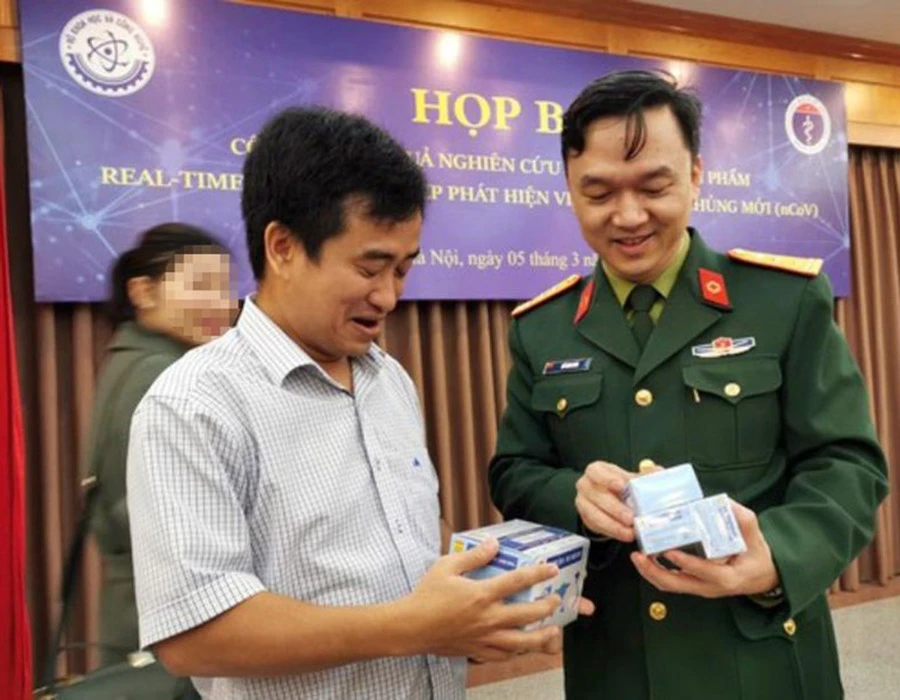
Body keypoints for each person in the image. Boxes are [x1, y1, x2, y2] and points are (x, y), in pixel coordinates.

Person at [126, 107, 579, 700]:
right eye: (370, 267)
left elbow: (414, 536)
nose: (388, 296)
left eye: (404, 269)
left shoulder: (389, 380)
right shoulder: (193, 405)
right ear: (283, 247)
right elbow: (194, 635)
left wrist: (483, 605)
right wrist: (415, 626)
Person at [488, 70, 888, 700]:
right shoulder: (543, 329)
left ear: (696, 174)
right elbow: (516, 471)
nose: (628, 216)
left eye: (654, 187)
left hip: (762, 657)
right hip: (616, 668)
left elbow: (847, 462)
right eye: (599, 192)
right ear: (569, 188)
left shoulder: (781, 301)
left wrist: (779, 556)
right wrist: (574, 497)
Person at [85, 222, 234, 674]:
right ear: (143, 292)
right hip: (167, 628)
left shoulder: (135, 360)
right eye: (201, 286)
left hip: (140, 619)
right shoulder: (162, 377)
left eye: (225, 288)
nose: (222, 304)